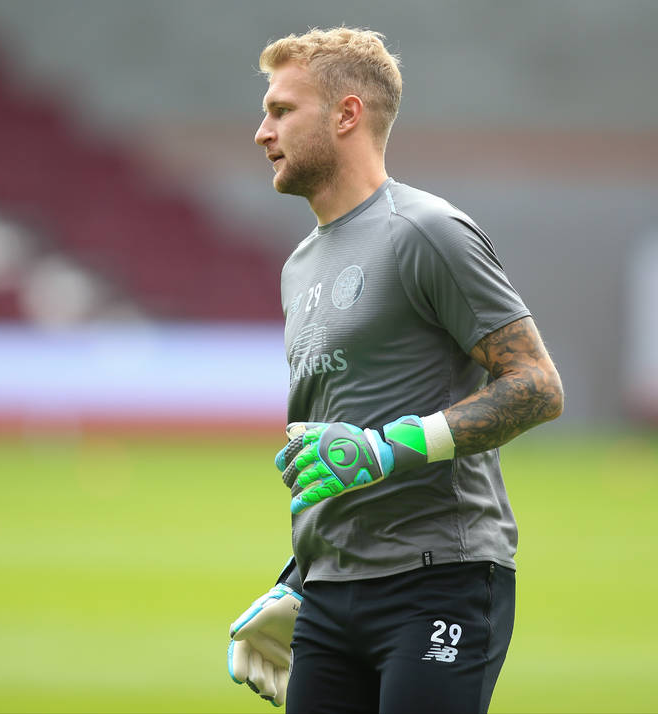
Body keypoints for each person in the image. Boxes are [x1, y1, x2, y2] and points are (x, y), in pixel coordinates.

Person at [227, 27, 564, 714]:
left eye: (282, 111)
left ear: (346, 115)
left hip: (440, 580)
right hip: (328, 595)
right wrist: (298, 576)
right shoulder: (299, 266)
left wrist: (388, 448)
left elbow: (536, 386)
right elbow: (335, 445)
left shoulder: (427, 231)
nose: (263, 133)